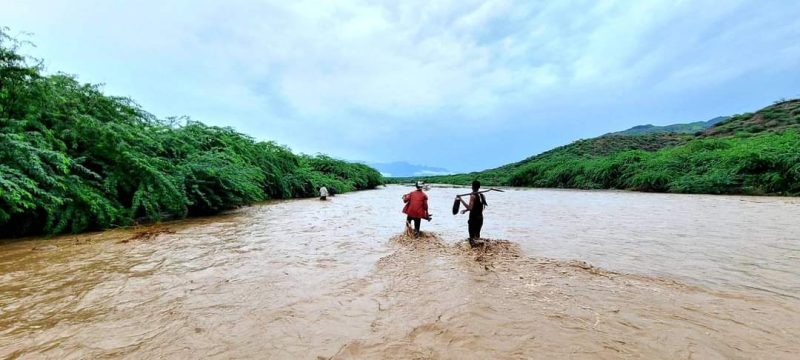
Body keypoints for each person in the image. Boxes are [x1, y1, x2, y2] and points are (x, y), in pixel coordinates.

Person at [456, 180, 487, 247]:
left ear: (472, 186)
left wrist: (460, 199)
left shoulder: (473, 196)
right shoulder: (482, 195)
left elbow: (470, 207)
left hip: (473, 219)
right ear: (479, 187)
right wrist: (466, 210)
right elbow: (478, 206)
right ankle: (479, 250)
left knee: (472, 238)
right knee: (477, 236)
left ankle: (473, 253)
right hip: (480, 218)